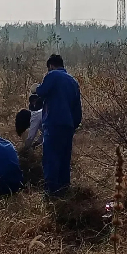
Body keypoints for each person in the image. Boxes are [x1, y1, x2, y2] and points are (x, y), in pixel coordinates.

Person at [34, 54, 82, 195]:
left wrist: (36, 89)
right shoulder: (73, 82)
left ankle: (51, 192)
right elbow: (77, 109)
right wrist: (73, 125)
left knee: (51, 158)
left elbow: (42, 91)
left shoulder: (52, 75)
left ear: (51, 66)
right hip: (68, 126)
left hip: (53, 124)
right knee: (64, 159)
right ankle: (64, 189)